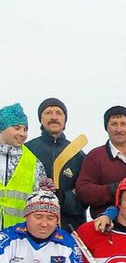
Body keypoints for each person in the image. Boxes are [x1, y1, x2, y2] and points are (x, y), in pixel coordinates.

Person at [75, 106, 126, 218]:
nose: (119, 129)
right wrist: (112, 190)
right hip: (106, 223)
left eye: (123, 124)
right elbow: (83, 190)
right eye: (114, 124)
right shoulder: (95, 156)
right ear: (107, 128)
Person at [25, 98, 87, 231]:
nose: (54, 117)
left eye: (59, 113)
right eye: (48, 113)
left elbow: (85, 196)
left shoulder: (78, 154)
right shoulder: (27, 150)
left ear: (65, 120)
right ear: (40, 119)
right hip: (33, 230)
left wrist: (64, 197)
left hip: (69, 229)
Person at [0, 103, 47, 229]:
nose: (22, 133)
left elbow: (41, 202)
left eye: (25, 129)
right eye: (16, 128)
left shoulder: (33, 163)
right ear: (2, 128)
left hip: (17, 238)